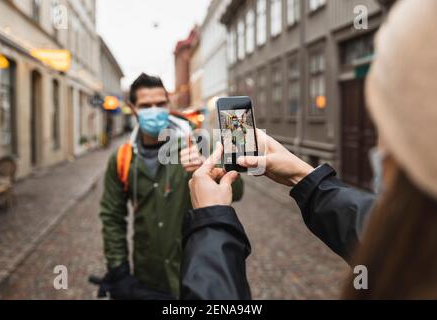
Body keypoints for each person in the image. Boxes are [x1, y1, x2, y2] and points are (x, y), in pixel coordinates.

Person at [182, 0, 437, 299]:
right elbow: (387, 236)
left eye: (381, 119)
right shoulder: (416, 244)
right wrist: (306, 178)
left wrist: (212, 222)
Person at [98, 73, 244, 300]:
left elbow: (238, 191)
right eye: (146, 105)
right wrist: (118, 270)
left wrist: (209, 169)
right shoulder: (122, 157)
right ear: (133, 108)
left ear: (169, 104)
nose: (155, 110)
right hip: (148, 276)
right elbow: (112, 216)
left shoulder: (198, 144)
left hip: (196, 270)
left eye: (160, 103)